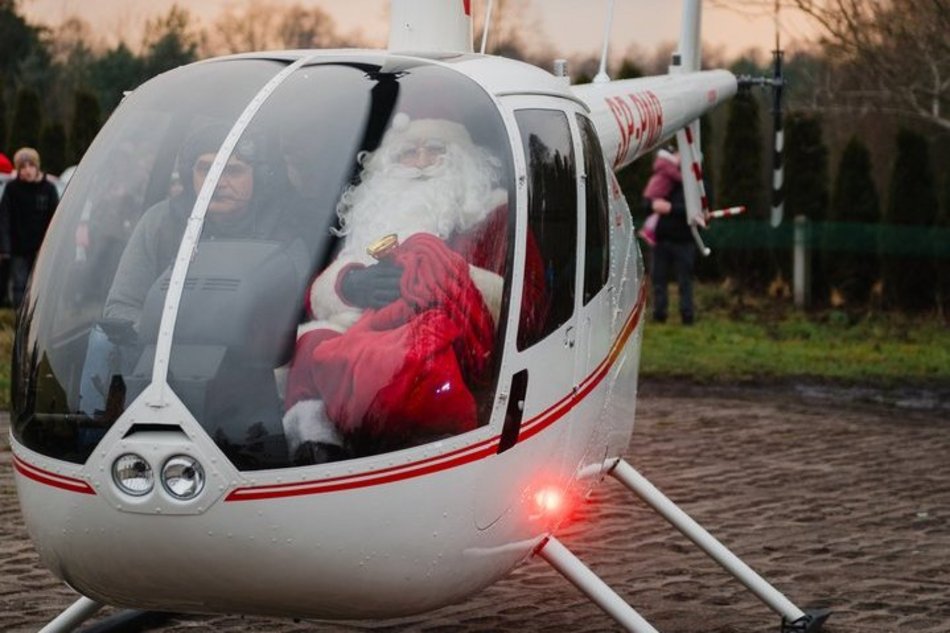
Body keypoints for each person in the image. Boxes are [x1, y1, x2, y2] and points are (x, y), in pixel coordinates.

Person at [282, 114, 545, 463]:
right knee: (310, 344)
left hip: (457, 331)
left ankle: (427, 446)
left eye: (436, 151)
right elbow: (319, 295)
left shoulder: (494, 216)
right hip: (370, 324)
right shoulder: (373, 216)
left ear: (463, 161)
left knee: (408, 355)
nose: (421, 162)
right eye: (409, 153)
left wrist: (437, 277)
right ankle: (318, 442)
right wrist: (350, 283)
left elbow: (526, 302)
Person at [104, 123, 308, 327]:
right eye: (206, 169)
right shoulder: (160, 222)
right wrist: (177, 338)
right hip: (163, 355)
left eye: (233, 171)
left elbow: (298, 321)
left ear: (260, 178)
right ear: (188, 174)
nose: (217, 182)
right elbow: (120, 309)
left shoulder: (283, 233)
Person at [0, 147, 60, 307]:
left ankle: (37, 316)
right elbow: (4, 218)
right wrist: (5, 248)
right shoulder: (12, 190)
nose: (27, 170)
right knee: (19, 285)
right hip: (18, 247)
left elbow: (55, 218)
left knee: (39, 284)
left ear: (37, 166)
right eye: (23, 167)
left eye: (30, 166)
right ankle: (20, 318)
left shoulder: (48, 189)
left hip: (41, 248)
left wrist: (50, 245)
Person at [643, 148, 697, 325]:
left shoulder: (695, 184)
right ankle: (659, 315)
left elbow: (697, 211)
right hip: (661, 239)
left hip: (684, 240)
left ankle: (687, 316)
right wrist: (653, 205)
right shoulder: (661, 179)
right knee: (658, 280)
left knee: (685, 281)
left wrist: (671, 209)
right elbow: (646, 202)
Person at [638, 146, 681, 247]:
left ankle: (647, 230)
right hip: (657, 193)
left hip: (654, 192)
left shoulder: (663, 164)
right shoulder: (669, 165)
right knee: (658, 212)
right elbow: (676, 176)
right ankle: (648, 230)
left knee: (656, 213)